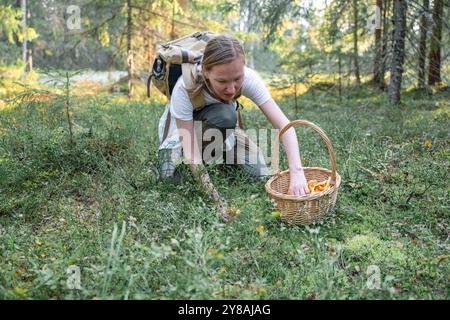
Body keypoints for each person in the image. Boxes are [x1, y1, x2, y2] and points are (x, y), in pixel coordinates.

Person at [157, 33, 308, 221]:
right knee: (171, 181)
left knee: (259, 175)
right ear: (205, 71)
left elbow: (285, 126)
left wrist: (297, 172)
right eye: (222, 81)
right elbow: (192, 154)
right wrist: (216, 200)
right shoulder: (184, 88)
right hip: (181, 137)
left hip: (223, 132)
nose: (232, 89)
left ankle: (220, 159)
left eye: (237, 79)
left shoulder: (249, 78)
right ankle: (196, 164)